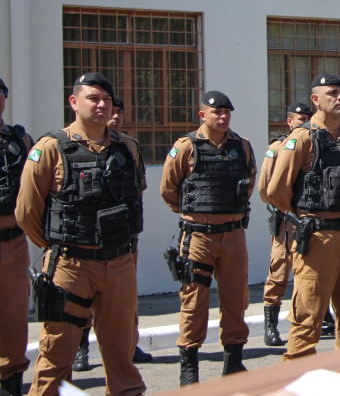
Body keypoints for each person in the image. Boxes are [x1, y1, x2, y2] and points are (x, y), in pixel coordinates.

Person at [16, 73, 145, 396]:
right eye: (93, 98)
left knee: (121, 354)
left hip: (119, 265)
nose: (101, 105)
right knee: (57, 355)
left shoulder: (127, 148)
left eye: (106, 100)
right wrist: (57, 247)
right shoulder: (50, 148)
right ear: (74, 102)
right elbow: (27, 212)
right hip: (70, 267)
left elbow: (134, 200)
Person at [265, 74, 340, 360]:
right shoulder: (303, 137)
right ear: (315, 99)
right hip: (317, 238)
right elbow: (275, 190)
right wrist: (303, 216)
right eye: (332, 93)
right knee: (307, 319)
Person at [161, 91, 256, 386]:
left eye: (227, 111)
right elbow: (169, 189)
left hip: (233, 236)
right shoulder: (186, 147)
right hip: (198, 238)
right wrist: (196, 214)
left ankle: (233, 362)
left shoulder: (242, 146)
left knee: (235, 299)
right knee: (193, 301)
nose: (223, 116)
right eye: (217, 112)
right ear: (203, 115)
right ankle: (189, 369)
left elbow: (249, 183)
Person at [72, 96, 153, 372]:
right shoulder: (70, 145)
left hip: (124, 239)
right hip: (85, 243)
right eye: (112, 111)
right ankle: (81, 349)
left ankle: (130, 343)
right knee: (82, 302)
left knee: (126, 300)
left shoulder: (129, 147)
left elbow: (137, 189)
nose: (115, 116)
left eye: (120, 112)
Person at [258, 101, 311, 347]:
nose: (305, 123)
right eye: (300, 120)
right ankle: (271, 325)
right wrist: (287, 210)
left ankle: (321, 317)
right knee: (279, 271)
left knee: (313, 270)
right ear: (290, 122)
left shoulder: (316, 145)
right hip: (287, 220)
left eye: (307, 119)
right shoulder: (278, 148)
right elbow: (265, 188)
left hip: (311, 219)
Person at [0, 78, 33, 396]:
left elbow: (39, 188)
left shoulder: (19, 139)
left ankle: (10, 383)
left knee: (12, 318)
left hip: (11, 243)